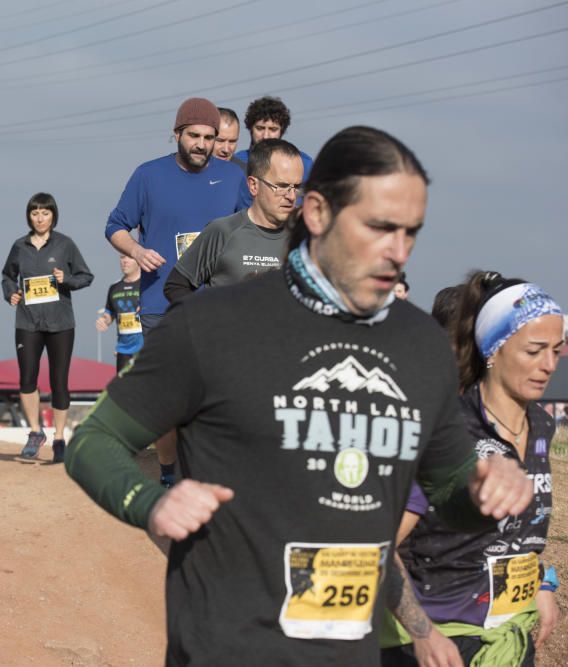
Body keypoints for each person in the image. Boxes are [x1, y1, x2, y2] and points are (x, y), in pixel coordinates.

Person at [65, 126, 534, 665]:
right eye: (379, 228)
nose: (397, 251)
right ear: (315, 213)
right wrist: (153, 502)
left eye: (410, 232)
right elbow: (93, 440)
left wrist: (484, 497)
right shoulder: (213, 325)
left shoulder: (420, 346)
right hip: (228, 650)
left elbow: (449, 494)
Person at [381, 271, 562, 667]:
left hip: (506, 638)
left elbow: (518, 534)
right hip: (435, 644)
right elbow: (380, 544)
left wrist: (541, 583)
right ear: (493, 350)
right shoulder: (444, 432)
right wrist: (423, 634)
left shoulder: (542, 426)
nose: (549, 365)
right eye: (534, 351)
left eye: (556, 350)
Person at [105, 97, 243, 486]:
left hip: (219, 307)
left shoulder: (232, 178)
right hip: (159, 304)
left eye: (210, 137)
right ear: (177, 134)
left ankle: (206, 474)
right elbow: (115, 225)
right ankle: (168, 471)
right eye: (194, 135)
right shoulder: (148, 176)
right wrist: (136, 250)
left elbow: (254, 227)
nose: (202, 144)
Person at [1, 192, 93, 463]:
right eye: (35, 213)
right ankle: (34, 431)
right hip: (27, 320)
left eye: (45, 213)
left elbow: (86, 276)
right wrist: (11, 293)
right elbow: (7, 275)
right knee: (27, 377)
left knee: (59, 380)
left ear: (53, 215)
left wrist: (67, 280)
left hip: (60, 322)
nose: (40, 218)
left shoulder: (65, 245)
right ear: (29, 216)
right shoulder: (19, 246)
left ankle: (60, 436)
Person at [163, 139, 303, 302]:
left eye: (296, 187)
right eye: (281, 186)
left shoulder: (304, 238)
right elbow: (175, 286)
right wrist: (206, 321)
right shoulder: (224, 231)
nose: (291, 196)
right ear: (253, 185)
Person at [233, 96, 314, 211]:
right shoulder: (236, 163)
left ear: (282, 131)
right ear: (250, 128)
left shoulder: (302, 163)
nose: (265, 136)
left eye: (273, 129)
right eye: (260, 128)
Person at [96, 254, 142, 372]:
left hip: (146, 348)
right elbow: (109, 314)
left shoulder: (147, 285)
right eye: (122, 257)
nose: (124, 261)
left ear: (138, 260)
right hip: (123, 350)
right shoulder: (114, 288)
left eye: (129, 257)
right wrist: (104, 321)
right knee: (124, 389)